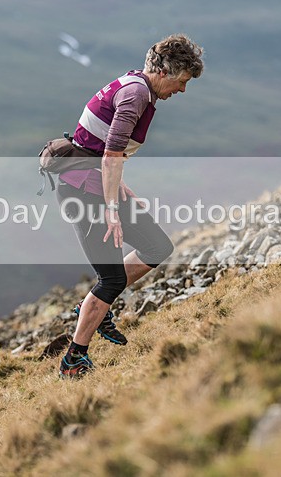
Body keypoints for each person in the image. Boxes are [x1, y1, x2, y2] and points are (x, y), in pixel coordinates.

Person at [57, 34, 204, 379]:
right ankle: (74, 359)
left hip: (97, 185)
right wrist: (112, 209)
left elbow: (97, 146)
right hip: (84, 193)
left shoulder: (137, 87)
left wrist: (122, 192)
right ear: (165, 70)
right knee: (110, 278)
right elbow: (109, 155)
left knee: (157, 247)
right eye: (182, 81)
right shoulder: (136, 94)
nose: (182, 90)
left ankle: (94, 306)